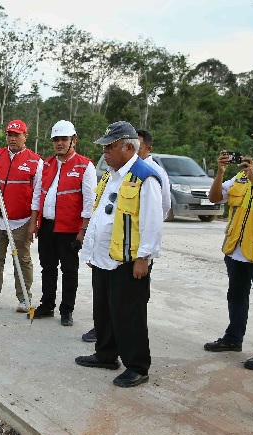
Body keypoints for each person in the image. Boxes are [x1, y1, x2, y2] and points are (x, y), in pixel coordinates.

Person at [75, 121, 163, 388]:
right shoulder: (110, 175)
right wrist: (90, 250)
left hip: (128, 260)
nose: (105, 152)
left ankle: (137, 366)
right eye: (104, 147)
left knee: (129, 314)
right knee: (104, 310)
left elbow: (152, 222)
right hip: (104, 257)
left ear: (128, 147)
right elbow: (101, 215)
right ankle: (105, 354)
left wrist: (143, 258)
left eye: (110, 147)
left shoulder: (144, 176)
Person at [202, 127, 253, 370]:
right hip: (236, 249)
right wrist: (220, 172)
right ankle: (233, 338)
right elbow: (215, 198)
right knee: (236, 296)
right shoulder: (241, 176)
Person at [29, 120, 96, 326]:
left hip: (69, 228)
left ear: (73, 141)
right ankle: (47, 304)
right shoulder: (46, 164)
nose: (59, 143)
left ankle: (67, 310)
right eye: (56, 140)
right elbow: (37, 194)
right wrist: (34, 222)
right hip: (47, 226)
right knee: (47, 267)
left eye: (64, 139)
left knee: (69, 270)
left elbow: (89, 201)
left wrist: (83, 230)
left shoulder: (85, 165)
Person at [0, 119, 40, 313]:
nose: (12, 138)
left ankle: (24, 298)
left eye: (16, 135)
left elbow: (38, 194)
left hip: (20, 221)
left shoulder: (35, 161)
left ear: (25, 136)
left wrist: (33, 222)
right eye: (9, 135)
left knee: (22, 260)